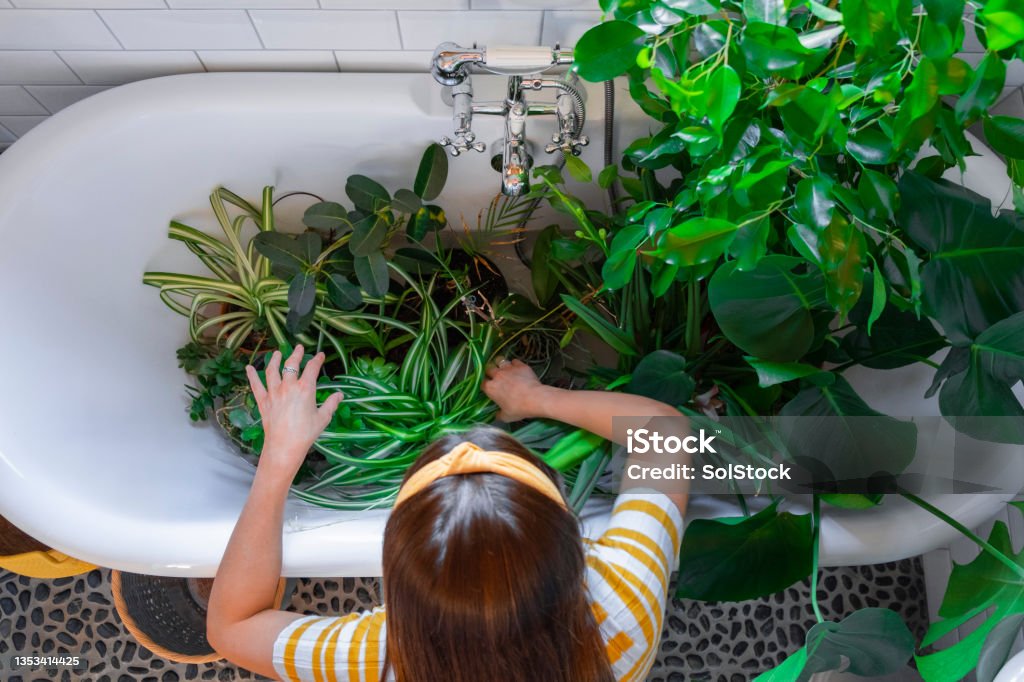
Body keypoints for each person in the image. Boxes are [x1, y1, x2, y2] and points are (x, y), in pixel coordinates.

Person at [207, 344, 690, 682]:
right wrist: (537, 398)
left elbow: (232, 627)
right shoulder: (623, 606)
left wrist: (278, 459)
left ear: (394, 576)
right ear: (571, 537)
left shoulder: (375, 659)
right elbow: (666, 432)